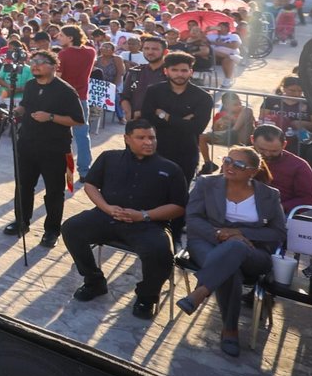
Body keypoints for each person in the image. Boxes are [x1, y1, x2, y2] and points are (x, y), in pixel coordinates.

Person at [59, 119, 188, 320]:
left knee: (160, 252)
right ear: (127, 139)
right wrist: (107, 208)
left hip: (148, 224)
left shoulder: (170, 169)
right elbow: (91, 185)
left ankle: (147, 296)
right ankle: (94, 281)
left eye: (152, 137)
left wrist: (144, 215)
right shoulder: (109, 158)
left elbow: (179, 207)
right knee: (71, 228)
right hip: (106, 216)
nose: (148, 142)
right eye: (141, 138)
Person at [177, 146, 287, 358]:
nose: (229, 166)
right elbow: (192, 218)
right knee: (230, 270)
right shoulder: (206, 184)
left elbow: (278, 233)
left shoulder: (269, 196)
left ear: (252, 172)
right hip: (207, 243)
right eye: (227, 160)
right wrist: (219, 233)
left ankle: (200, 292)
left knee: (237, 247)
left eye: (238, 164)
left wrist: (238, 232)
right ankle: (230, 329)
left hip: (253, 253)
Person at [4, 50, 85, 248]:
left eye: (41, 62)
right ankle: (21, 222)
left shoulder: (65, 91)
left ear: (54, 66)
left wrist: (50, 117)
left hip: (55, 148)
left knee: (54, 191)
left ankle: (52, 231)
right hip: (27, 143)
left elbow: (78, 120)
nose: (35, 65)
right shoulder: (31, 85)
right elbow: (26, 105)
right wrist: (17, 111)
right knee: (23, 186)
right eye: (33, 62)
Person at [140, 52, 213, 183]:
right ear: (166, 71)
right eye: (174, 70)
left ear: (191, 72)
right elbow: (147, 120)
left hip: (186, 154)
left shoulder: (203, 97)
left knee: (179, 196)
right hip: (155, 150)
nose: (179, 74)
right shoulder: (154, 91)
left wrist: (164, 115)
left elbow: (197, 127)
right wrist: (183, 122)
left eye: (184, 70)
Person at [249, 123, 312, 213]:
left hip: (278, 212)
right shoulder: (241, 157)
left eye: (274, 151)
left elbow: (309, 199)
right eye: (261, 149)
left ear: (284, 145)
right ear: (252, 140)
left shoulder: (299, 166)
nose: (267, 154)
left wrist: (280, 207)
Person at [56, 24, 97, 179]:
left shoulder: (63, 54)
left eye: (61, 35)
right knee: (82, 135)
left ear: (70, 37)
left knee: (62, 135)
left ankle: (64, 169)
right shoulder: (91, 52)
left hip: (63, 98)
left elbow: (58, 78)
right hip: (82, 97)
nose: (58, 37)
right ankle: (85, 170)